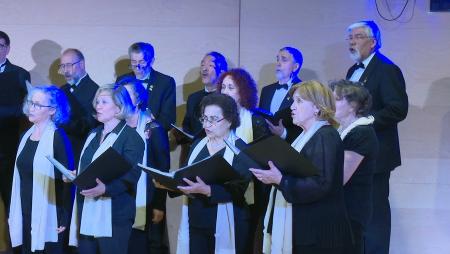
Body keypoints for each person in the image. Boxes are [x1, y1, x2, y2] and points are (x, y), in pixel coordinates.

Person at [250, 80, 352, 254]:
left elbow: (321, 184)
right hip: (306, 229)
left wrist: (280, 180)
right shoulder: (304, 136)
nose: (292, 107)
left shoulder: (325, 136)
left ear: (317, 107)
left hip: (319, 234)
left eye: (299, 101)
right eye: (293, 101)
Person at [160, 93, 252, 254]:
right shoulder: (198, 144)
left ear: (229, 120)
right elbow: (187, 176)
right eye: (204, 118)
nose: (207, 125)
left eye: (213, 119)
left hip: (228, 222)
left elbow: (238, 190)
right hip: (196, 221)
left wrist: (208, 190)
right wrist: (169, 183)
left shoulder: (240, 150)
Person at [345, 20, 408, 254]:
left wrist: (365, 121)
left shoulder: (387, 69)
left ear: (374, 42)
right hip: (353, 153)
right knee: (358, 213)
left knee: (375, 217)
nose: (352, 41)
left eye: (358, 36)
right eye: (350, 37)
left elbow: (397, 109)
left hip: (377, 155)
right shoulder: (352, 71)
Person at [68, 85, 144, 254]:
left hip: (115, 215)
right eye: (97, 101)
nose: (98, 106)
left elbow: (130, 175)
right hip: (87, 210)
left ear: (118, 107)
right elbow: (88, 166)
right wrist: (76, 175)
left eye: (104, 102)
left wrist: (106, 189)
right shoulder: (94, 134)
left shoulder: (132, 138)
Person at [9, 85, 73, 254]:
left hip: (49, 214)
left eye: (37, 105)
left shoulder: (58, 137)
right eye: (31, 103)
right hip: (25, 211)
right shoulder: (25, 136)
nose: (31, 108)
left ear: (52, 110)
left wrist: (64, 217)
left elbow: (68, 179)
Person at [216, 68, 271, 252]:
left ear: (243, 91)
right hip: (217, 190)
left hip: (247, 196)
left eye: (231, 87)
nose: (225, 91)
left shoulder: (255, 121)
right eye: (223, 87)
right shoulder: (216, 120)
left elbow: (263, 162)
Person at [114, 78, 170, 254]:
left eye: (127, 95)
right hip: (118, 199)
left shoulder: (152, 127)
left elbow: (162, 169)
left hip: (146, 199)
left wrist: (159, 204)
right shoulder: (115, 127)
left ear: (138, 100)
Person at [330, 80, 379, 254]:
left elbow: (341, 177)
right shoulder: (341, 130)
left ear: (352, 106)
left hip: (351, 210)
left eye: (336, 99)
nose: (331, 103)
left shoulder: (362, 133)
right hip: (339, 208)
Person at [0, 30, 31, 212]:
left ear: (8, 49)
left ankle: (16, 241)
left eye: (0, 46)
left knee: (11, 202)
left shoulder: (20, 74)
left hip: (8, 148)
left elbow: (26, 108)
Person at [117, 42, 175, 131]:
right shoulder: (122, 80)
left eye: (142, 62)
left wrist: (148, 126)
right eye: (133, 62)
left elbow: (168, 119)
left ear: (151, 61)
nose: (137, 66)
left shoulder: (165, 82)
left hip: (153, 137)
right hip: (125, 134)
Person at [59, 48, 99, 164]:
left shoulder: (95, 90)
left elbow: (87, 126)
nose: (65, 70)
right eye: (62, 66)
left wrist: (59, 120)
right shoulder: (62, 89)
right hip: (61, 150)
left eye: (69, 65)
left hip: (79, 153)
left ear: (81, 64)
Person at [259, 46, 303, 143]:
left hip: (290, 149)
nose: (278, 64)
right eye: (277, 59)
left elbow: (306, 126)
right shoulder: (266, 90)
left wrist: (283, 133)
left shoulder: (303, 90)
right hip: (265, 145)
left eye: (284, 60)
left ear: (295, 67)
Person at [181, 51, 228, 139]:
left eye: (210, 65)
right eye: (202, 65)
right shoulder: (193, 98)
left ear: (222, 72)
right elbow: (186, 126)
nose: (204, 69)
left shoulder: (227, 98)